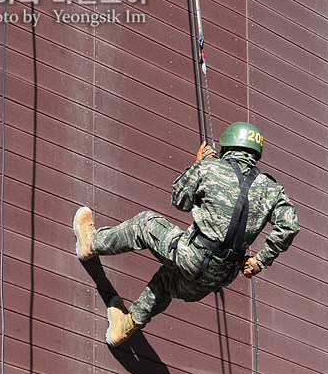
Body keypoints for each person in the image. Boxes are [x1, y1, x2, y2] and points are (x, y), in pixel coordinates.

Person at [73, 122, 299, 346]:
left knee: (145, 224)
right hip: (217, 276)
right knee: (166, 282)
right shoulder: (271, 189)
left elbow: (179, 200)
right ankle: (124, 326)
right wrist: (260, 261)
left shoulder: (210, 169)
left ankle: (90, 243)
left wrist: (200, 165)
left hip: (191, 256)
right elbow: (289, 225)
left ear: (227, 147)